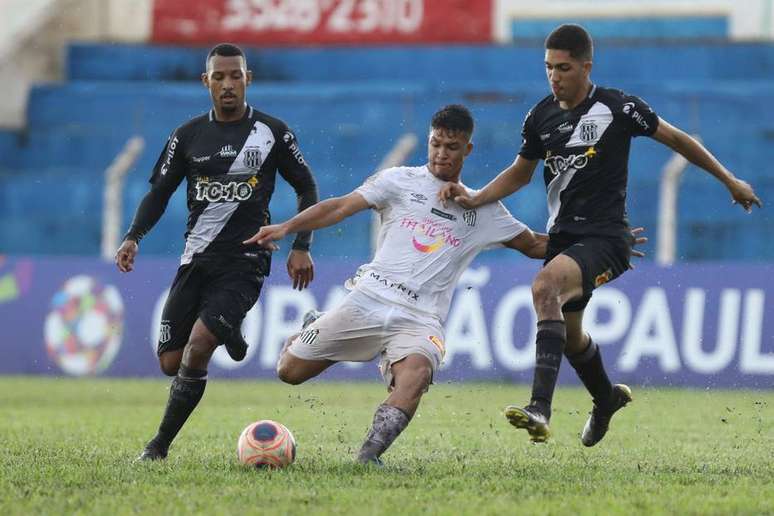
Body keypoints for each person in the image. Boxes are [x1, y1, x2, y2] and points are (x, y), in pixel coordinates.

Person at [244, 105, 644, 465]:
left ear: (467, 150)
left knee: (416, 374)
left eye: (451, 147)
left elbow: (536, 245)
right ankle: (317, 324)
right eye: (435, 144)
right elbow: (340, 205)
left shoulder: (483, 206)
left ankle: (367, 456)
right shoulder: (398, 180)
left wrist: (600, 243)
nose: (441, 154)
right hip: (367, 298)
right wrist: (287, 225)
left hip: (420, 319)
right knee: (289, 370)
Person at [439, 24, 762, 446]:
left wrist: (729, 180)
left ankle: (540, 406)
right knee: (571, 338)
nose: (554, 76)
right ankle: (606, 399)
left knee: (544, 287)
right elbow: (521, 173)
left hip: (607, 239)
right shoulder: (540, 116)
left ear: (586, 66)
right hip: (565, 240)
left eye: (564, 67)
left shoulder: (618, 107)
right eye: (548, 67)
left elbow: (678, 138)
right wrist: (477, 196)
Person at [115, 43, 319, 461]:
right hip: (196, 259)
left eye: (236, 76)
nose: (228, 84)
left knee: (198, 348)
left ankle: (158, 447)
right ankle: (232, 328)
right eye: (219, 77)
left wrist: (301, 244)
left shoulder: (272, 132)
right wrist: (134, 235)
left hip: (245, 260)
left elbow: (307, 187)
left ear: (248, 79)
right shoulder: (186, 136)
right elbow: (159, 193)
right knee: (170, 362)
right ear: (206, 81)